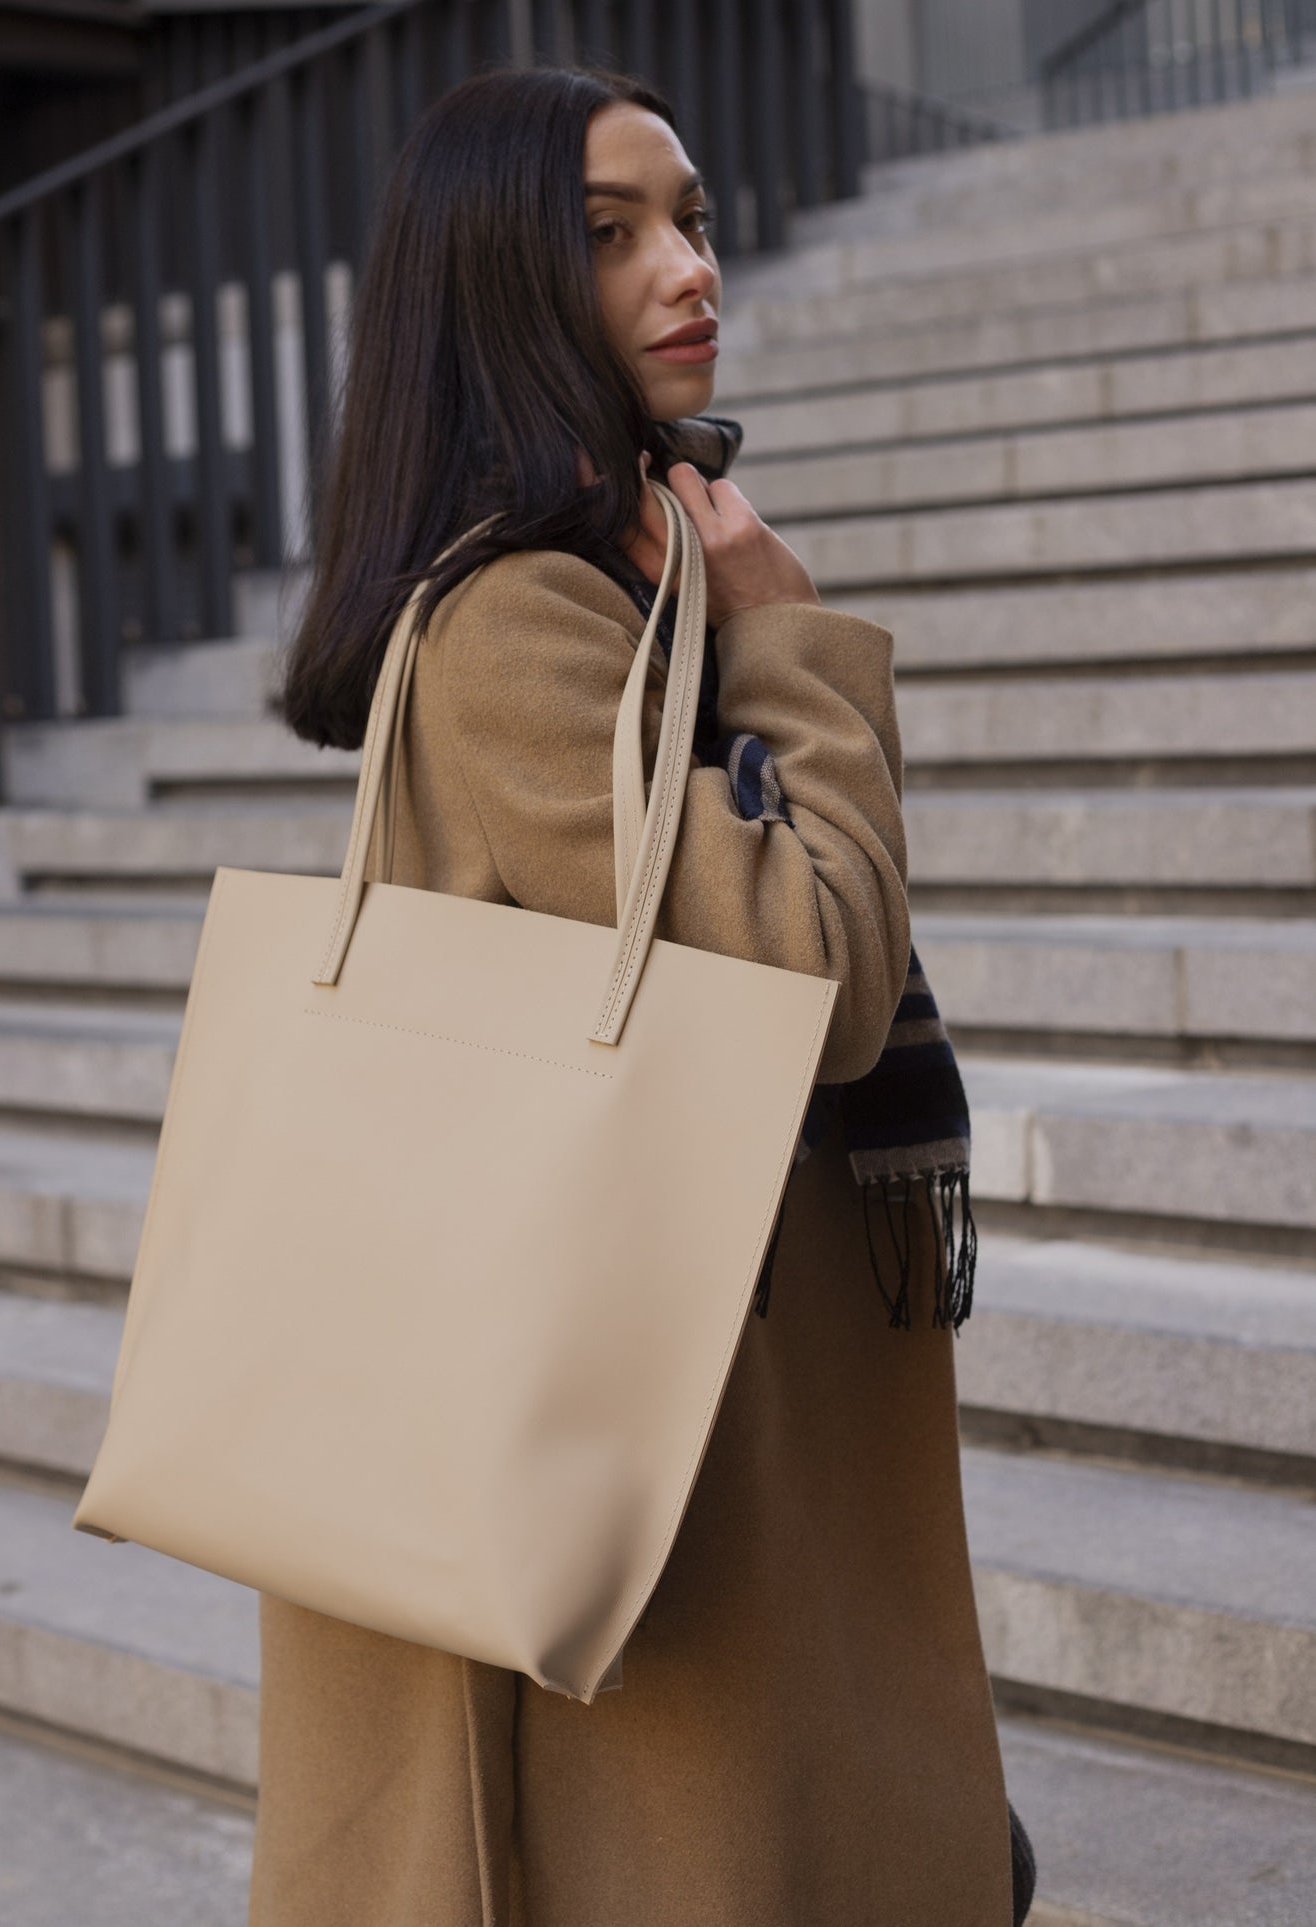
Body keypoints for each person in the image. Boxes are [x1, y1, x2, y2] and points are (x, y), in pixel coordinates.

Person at [256, 61, 1034, 1927]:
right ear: (502, 288)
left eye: (687, 217)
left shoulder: (629, 573)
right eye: (610, 237)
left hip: (701, 1382)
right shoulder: (517, 616)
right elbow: (813, 982)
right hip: (634, 1418)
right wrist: (791, 647)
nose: (685, 268)